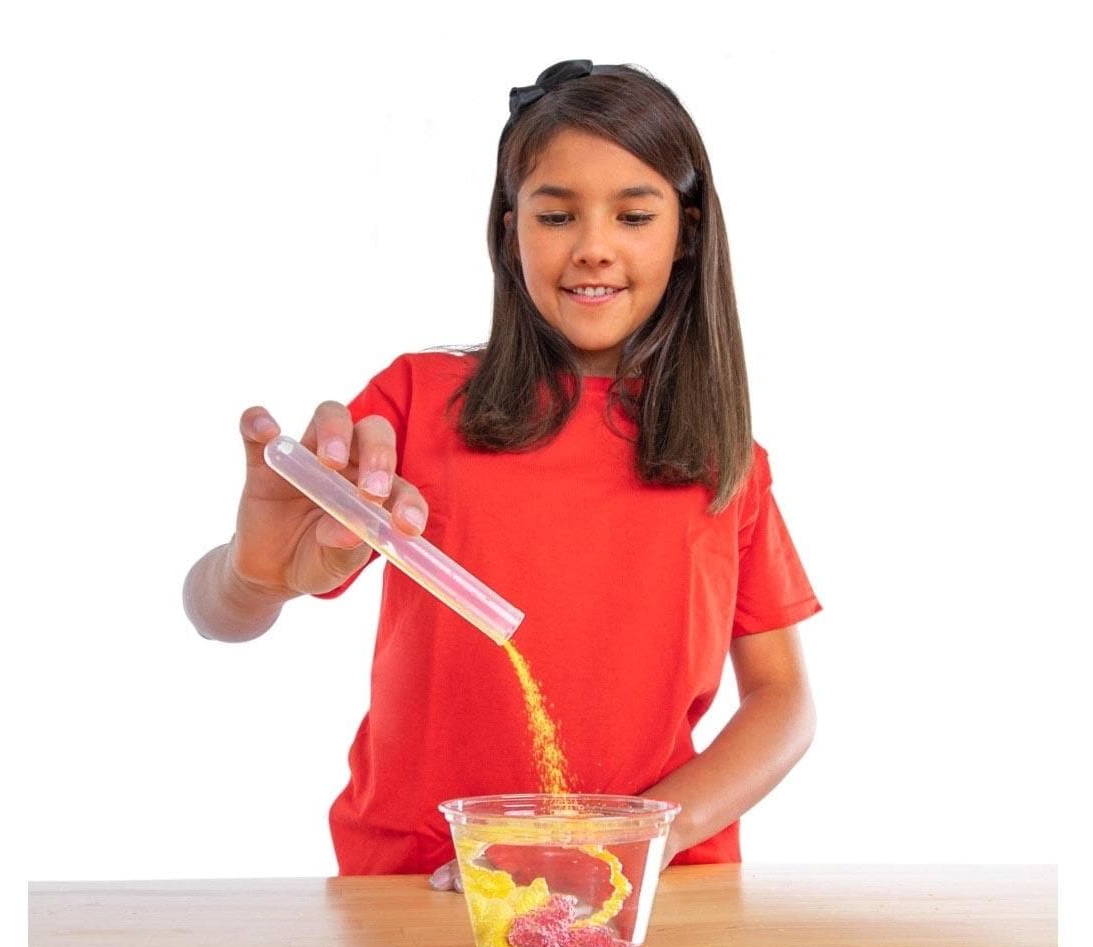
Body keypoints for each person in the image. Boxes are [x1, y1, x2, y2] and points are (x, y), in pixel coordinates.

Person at [183, 59, 822, 890]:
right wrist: (250, 575)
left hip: (648, 899)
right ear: (510, 226)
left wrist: (639, 842)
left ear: (686, 232)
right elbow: (217, 616)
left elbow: (783, 704)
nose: (594, 246)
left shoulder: (724, 457)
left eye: (634, 215)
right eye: (557, 214)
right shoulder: (413, 403)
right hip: (418, 881)